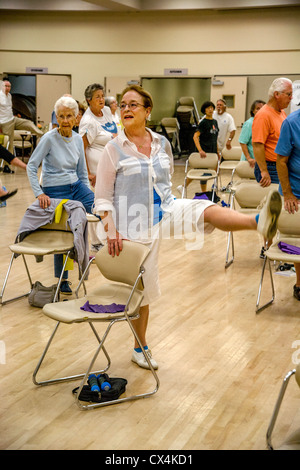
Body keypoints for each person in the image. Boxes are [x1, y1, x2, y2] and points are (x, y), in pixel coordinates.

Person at [93, 84, 282, 371]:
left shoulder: (161, 143)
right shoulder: (113, 148)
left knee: (204, 208)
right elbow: (103, 197)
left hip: (165, 208)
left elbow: (166, 176)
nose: (126, 109)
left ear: (147, 111)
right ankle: (139, 347)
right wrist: (111, 230)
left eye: (133, 105)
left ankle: (257, 222)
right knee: (143, 289)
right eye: (123, 105)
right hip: (133, 226)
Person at [27, 95, 96, 295]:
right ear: (56, 118)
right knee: (67, 230)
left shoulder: (76, 139)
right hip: (55, 189)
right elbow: (32, 166)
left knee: (102, 208)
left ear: (76, 118)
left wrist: (87, 197)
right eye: (61, 116)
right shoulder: (49, 138)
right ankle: (63, 279)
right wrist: (39, 193)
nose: (65, 120)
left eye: (69, 116)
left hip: (76, 186)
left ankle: (109, 252)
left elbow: (82, 173)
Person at [79, 83, 118, 252]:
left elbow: (114, 131)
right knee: (98, 204)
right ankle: (95, 242)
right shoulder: (88, 121)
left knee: (111, 201)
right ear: (89, 100)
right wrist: (87, 173)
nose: (101, 99)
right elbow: (81, 148)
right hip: (95, 168)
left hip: (112, 165)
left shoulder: (107, 112)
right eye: (97, 97)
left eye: (102, 96)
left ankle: (110, 236)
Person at [275, 107, 300, 301]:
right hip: (296, 192)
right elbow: (281, 161)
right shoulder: (291, 122)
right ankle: (299, 284)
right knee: (297, 237)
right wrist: (288, 194)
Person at [252, 77, 293, 187]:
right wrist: (264, 171)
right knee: (275, 201)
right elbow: (257, 145)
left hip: (281, 164)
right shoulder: (263, 115)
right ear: (277, 94)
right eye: (288, 94)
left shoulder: (281, 112)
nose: (291, 98)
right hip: (270, 168)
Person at [0, 79, 43, 154]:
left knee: (28, 123)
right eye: (5, 86)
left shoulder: (9, 96)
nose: (7, 88)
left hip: (12, 119)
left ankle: (43, 135)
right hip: (5, 122)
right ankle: (7, 164)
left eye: (9, 86)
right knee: (9, 143)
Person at [239, 100, 265, 168]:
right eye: (257, 109)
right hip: (251, 161)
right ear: (253, 111)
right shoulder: (249, 123)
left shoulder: (264, 122)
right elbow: (242, 142)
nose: (260, 111)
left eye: (262, 109)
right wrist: (249, 158)